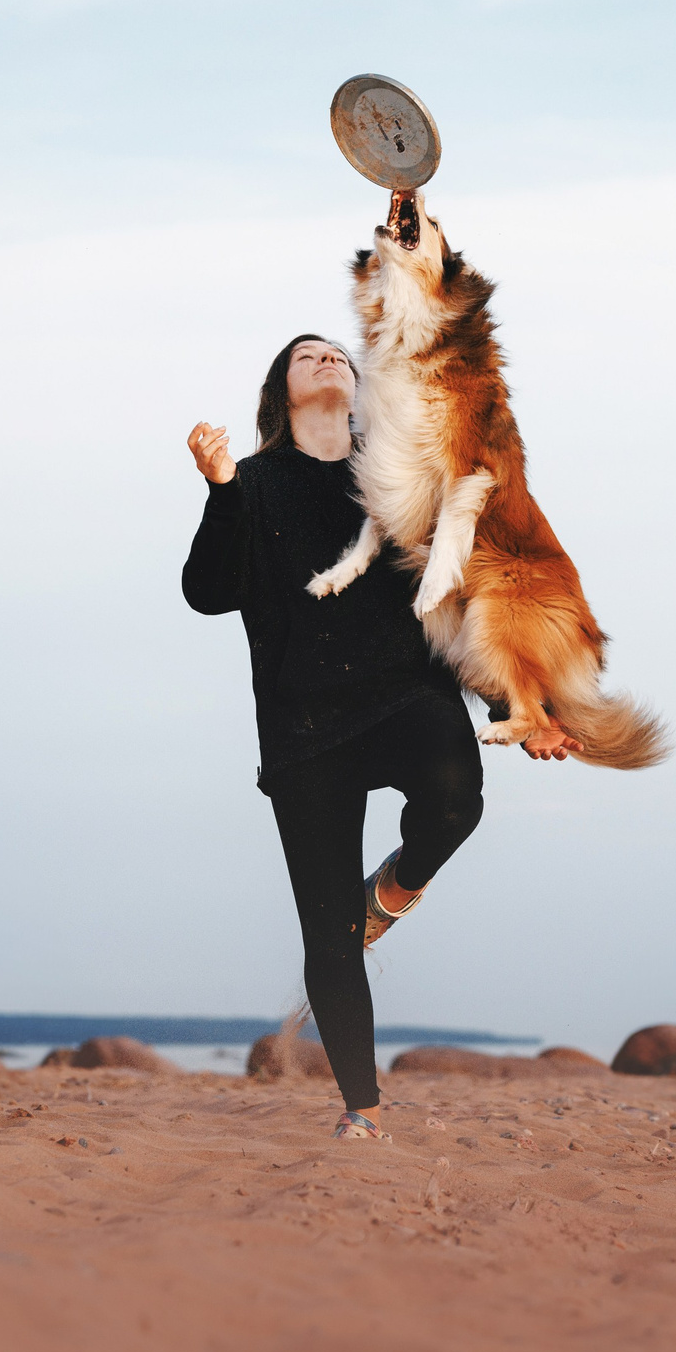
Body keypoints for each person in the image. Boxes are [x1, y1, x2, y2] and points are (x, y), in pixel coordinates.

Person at [182, 334, 570, 1141]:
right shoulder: (252, 484)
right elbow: (207, 593)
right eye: (306, 357)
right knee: (328, 939)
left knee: (458, 800)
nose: (328, 360)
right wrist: (221, 490)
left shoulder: (397, 481)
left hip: (406, 695)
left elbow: (459, 601)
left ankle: (396, 887)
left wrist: (517, 706)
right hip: (304, 727)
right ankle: (362, 1110)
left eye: (338, 356)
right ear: (280, 393)